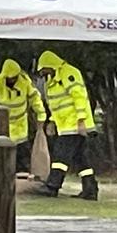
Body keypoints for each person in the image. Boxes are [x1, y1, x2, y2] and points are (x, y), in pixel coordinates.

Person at [34, 50, 98, 200]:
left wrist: (81, 120)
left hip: (75, 124)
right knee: (81, 159)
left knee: (61, 155)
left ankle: (52, 186)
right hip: (66, 125)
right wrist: (52, 122)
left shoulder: (69, 73)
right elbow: (57, 105)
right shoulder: (52, 80)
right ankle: (90, 190)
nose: (43, 73)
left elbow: (79, 96)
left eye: (44, 69)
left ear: (50, 65)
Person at [0, 59, 47, 173]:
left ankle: (21, 183)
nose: (11, 80)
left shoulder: (25, 82)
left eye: (14, 77)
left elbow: (35, 100)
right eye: (9, 78)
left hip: (19, 128)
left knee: (21, 160)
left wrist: (41, 116)